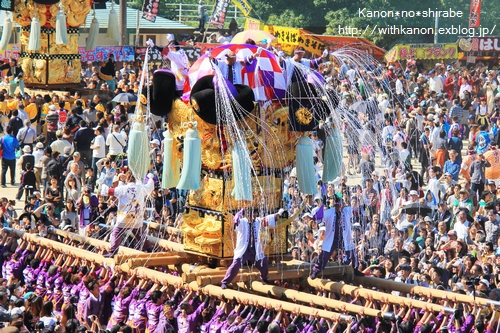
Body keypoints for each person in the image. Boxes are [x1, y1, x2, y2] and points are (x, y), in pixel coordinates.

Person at [220, 207, 284, 289]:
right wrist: (240, 213)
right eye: (250, 214)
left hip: (255, 250)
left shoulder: (258, 221)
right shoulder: (242, 222)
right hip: (244, 250)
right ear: (246, 215)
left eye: (254, 214)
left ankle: (264, 278)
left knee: (263, 262)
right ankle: (225, 282)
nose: (252, 216)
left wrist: (278, 214)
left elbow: (269, 218)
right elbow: (235, 220)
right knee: (235, 265)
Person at [100, 171, 155, 257]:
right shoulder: (141, 188)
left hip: (124, 218)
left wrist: (102, 183)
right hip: (136, 217)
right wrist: (150, 177)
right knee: (140, 235)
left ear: (127, 179)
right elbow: (150, 186)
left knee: (116, 234)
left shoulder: (123, 188)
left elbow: (108, 191)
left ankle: (113, 251)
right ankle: (149, 249)